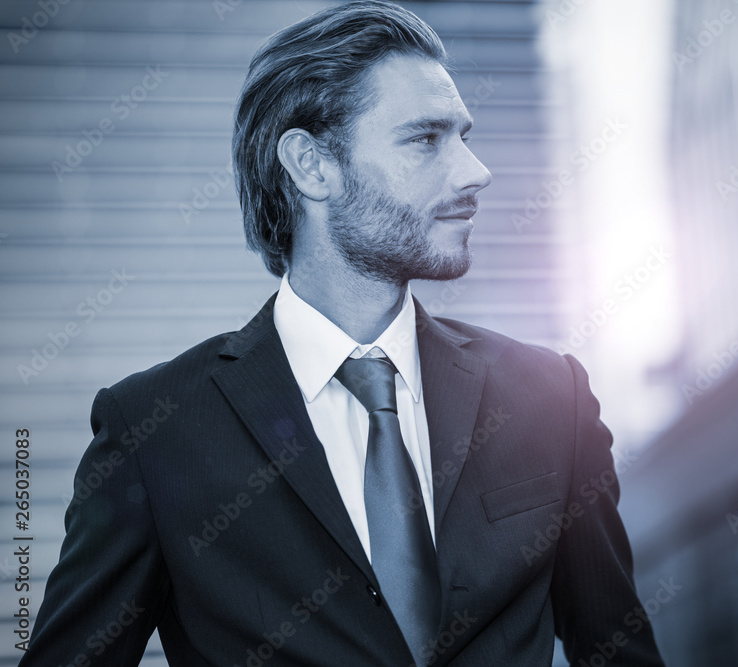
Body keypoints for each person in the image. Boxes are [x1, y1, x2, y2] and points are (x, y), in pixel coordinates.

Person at [20, 2, 664, 665]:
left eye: (464, 135)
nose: (475, 171)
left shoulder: (551, 397)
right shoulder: (155, 432)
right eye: (424, 139)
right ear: (311, 165)